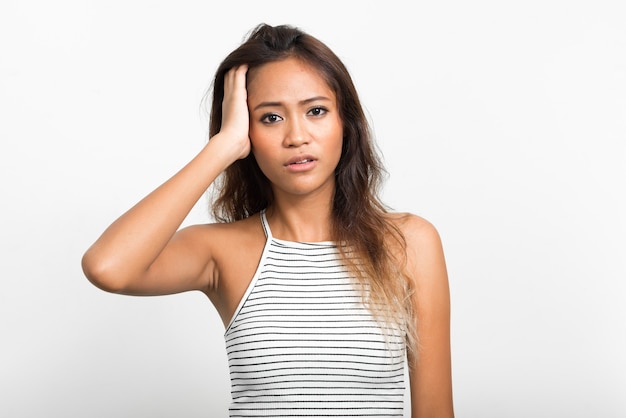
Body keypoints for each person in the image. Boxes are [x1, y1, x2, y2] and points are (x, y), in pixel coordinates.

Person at [82, 23, 454, 417]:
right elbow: (108, 267)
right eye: (270, 118)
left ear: (346, 122)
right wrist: (222, 147)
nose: (296, 136)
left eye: (316, 111)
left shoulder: (409, 242)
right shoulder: (221, 251)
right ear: (246, 131)